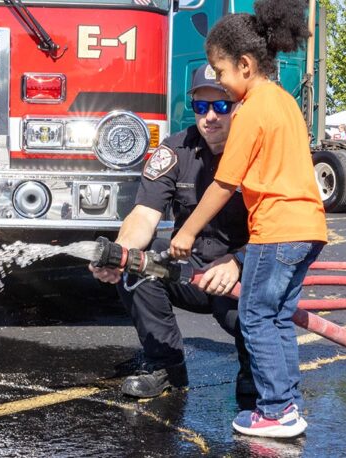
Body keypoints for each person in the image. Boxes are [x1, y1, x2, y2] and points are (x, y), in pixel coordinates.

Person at [168, 0, 327, 438]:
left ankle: (275, 411)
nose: (218, 81)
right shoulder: (283, 101)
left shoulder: (253, 109)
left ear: (243, 64)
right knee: (276, 318)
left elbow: (223, 183)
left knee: (256, 316)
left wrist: (186, 231)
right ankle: (287, 405)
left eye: (218, 72)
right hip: (307, 227)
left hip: (276, 230)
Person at [89, 63, 256, 400]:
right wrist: (121, 253)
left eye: (221, 105)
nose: (210, 116)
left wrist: (238, 262)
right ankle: (166, 368)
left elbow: (279, 228)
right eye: (201, 106)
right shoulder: (174, 150)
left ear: (239, 106)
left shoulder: (259, 152)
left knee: (249, 316)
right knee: (136, 265)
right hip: (189, 270)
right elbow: (144, 214)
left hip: (242, 275)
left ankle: (255, 372)